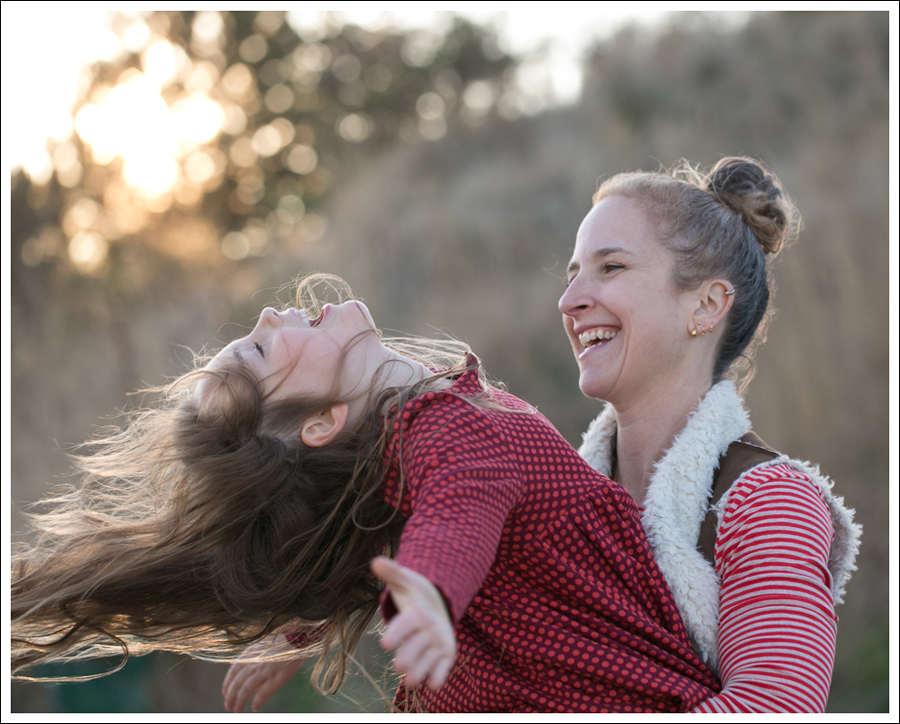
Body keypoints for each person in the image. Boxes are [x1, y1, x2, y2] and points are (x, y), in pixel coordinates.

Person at [12, 275, 719, 713]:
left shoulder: (412, 446)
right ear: (321, 423)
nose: (267, 315)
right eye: (258, 350)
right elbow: (455, 517)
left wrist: (299, 633)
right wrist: (429, 596)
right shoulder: (450, 433)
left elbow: (386, 532)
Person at [558, 157, 861, 712]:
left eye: (611, 267)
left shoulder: (770, 502)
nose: (569, 299)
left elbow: (774, 707)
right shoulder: (555, 496)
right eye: (572, 274)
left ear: (706, 304)